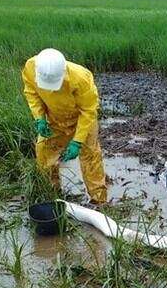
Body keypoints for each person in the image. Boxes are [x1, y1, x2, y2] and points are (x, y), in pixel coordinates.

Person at [22, 48, 107, 204]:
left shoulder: (80, 78)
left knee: (90, 156)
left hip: (82, 120)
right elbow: (31, 93)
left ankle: (98, 200)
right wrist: (39, 118)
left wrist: (77, 141)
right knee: (44, 150)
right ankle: (52, 192)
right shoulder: (31, 67)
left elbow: (88, 111)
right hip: (54, 119)